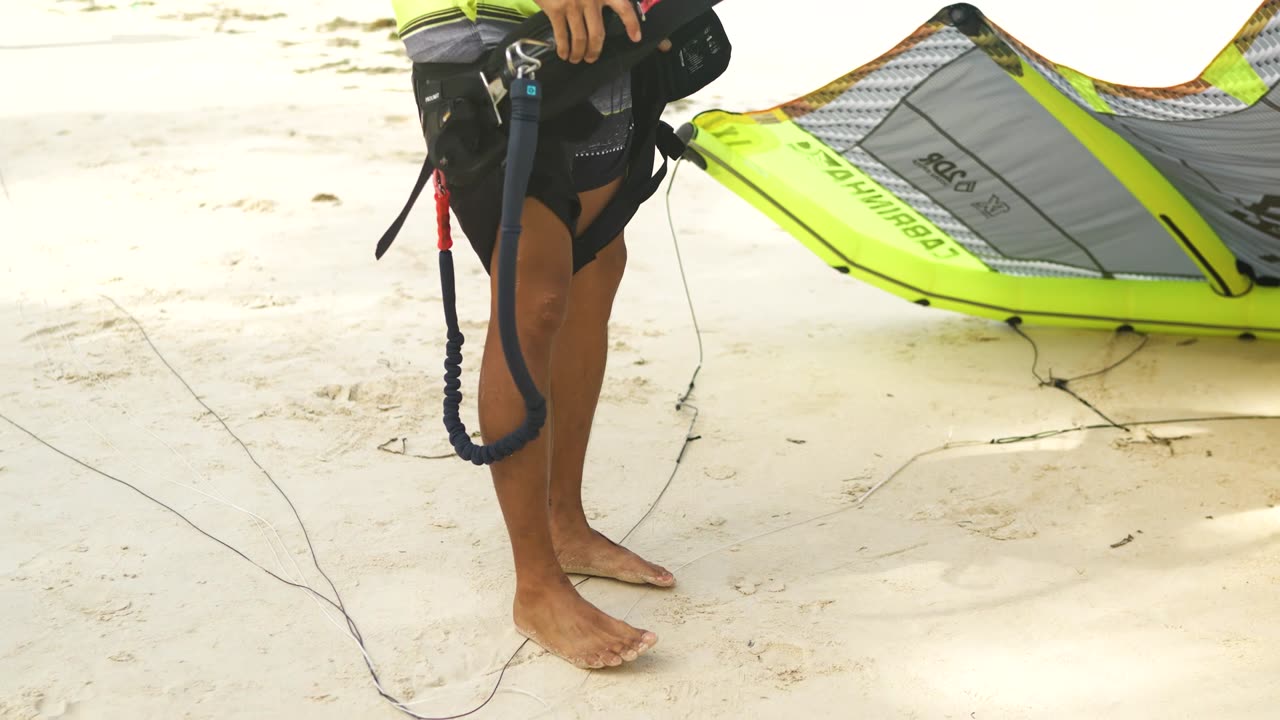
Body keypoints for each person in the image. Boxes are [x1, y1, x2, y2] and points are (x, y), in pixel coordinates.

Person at [390, 0, 676, 670]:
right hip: (478, 24)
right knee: (535, 294)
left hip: (610, 17)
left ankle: (566, 524)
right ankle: (537, 587)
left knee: (595, 264)